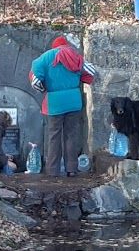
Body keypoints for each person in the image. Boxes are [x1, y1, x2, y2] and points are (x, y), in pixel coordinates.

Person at [29, 33, 95, 176]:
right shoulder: (74, 54)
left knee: (54, 136)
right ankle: (71, 169)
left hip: (55, 102)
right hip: (74, 100)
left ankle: (53, 170)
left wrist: (43, 90)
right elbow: (91, 70)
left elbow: (35, 80)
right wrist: (81, 79)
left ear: (55, 46)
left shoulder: (46, 57)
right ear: (65, 44)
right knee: (71, 135)